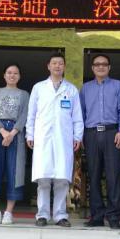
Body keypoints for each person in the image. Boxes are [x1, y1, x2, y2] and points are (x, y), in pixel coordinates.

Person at [26, 52, 84, 227]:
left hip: (63, 138)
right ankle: (42, 215)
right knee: (43, 179)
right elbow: (31, 114)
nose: (57, 66)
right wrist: (30, 134)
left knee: (61, 179)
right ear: (48, 66)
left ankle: (60, 215)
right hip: (43, 138)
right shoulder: (38, 88)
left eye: (60, 63)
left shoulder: (71, 89)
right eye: (54, 63)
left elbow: (77, 116)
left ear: (64, 66)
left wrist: (77, 136)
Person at [80, 53, 120, 229]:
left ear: (109, 67)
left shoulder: (118, 86)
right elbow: (81, 113)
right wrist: (81, 135)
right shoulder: (85, 89)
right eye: (97, 64)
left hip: (112, 133)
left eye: (104, 64)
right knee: (93, 175)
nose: (100, 67)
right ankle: (97, 215)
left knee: (112, 176)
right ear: (92, 68)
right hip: (91, 134)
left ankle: (114, 216)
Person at [0, 64, 30, 225]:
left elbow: (25, 115)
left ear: (19, 76)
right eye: (9, 72)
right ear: (4, 75)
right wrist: (3, 132)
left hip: (16, 132)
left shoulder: (24, 94)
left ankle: (9, 212)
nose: (12, 75)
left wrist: (12, 133)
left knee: (14, 171)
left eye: (15, 73)